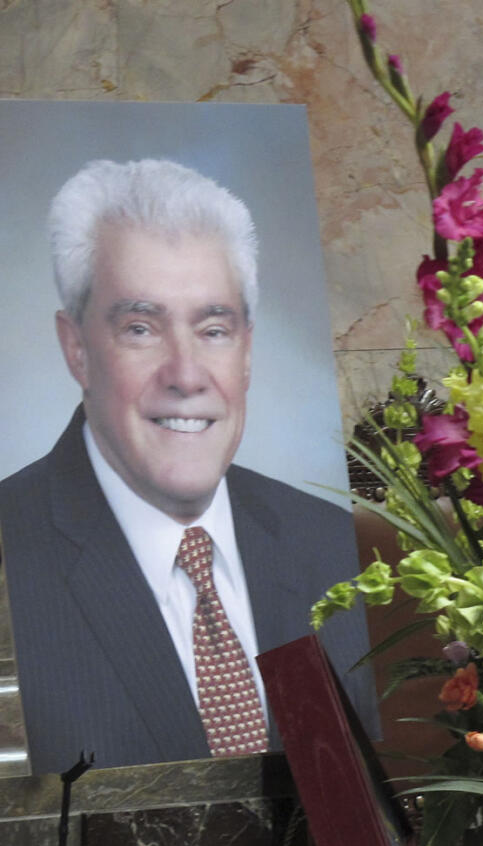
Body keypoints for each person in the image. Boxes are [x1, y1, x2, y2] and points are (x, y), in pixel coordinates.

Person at [0, 159, 378, 775]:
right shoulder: (11, 549)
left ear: (248, 350)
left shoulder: (330, 542)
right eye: (141, 328)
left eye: (213, 329)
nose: (185, 374)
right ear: (76, 349)